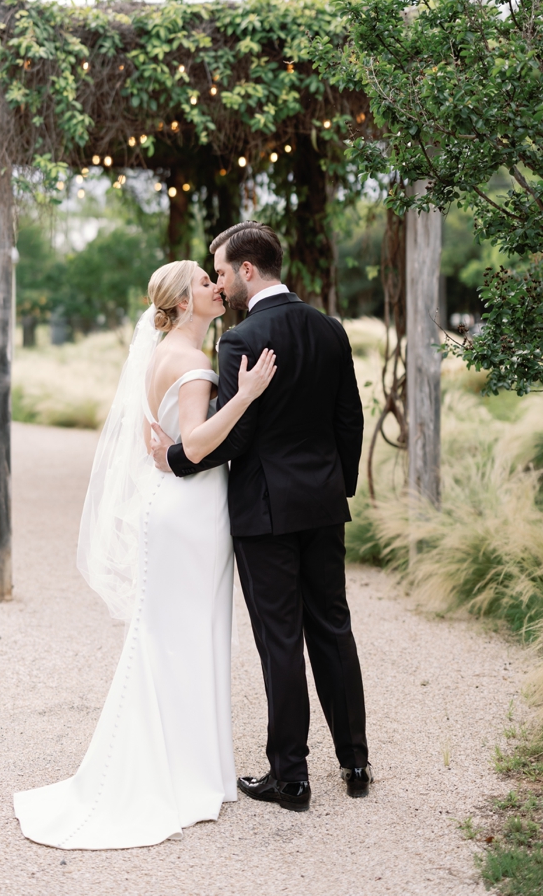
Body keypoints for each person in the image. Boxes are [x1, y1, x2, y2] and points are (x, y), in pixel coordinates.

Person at [14, 258, 277, 849]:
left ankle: (186, 765)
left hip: (170, 503)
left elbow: (153, 442)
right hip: (191, 509)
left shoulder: (159, 355)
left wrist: (176, 449)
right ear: (184, 302)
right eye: (205, 283)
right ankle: (181, 774)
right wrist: (248, 395)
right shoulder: (193, 362)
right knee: (187, 635)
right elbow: (197, 442)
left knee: (169, 636)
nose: (217, 287)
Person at [150, 222, 370, 811]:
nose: (219, 282)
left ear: (248, 271)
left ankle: (291, 777)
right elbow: (350, 420)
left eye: (221, 271)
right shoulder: (330, 329)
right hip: (323, 506)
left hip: (264, 513)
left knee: (281, 640)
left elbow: (235, 437)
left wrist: (174, 457)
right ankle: (355, 761)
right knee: (333, 627)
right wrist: (333, 486)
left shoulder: (241, 339)